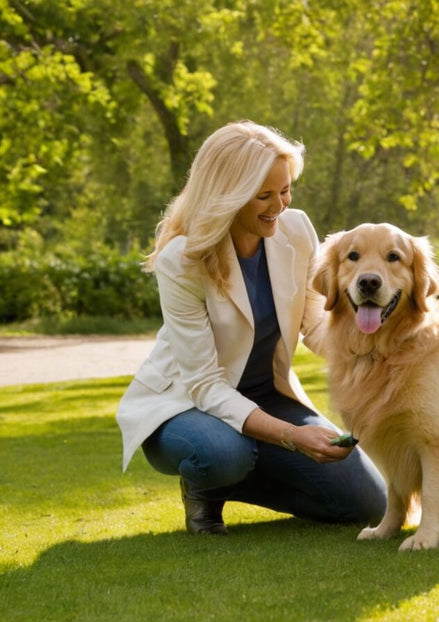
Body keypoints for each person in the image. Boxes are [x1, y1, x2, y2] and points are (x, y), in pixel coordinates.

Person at [116, 120, 386, 535]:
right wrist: (293, 438)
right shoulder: (181, 261)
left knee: (369, 503)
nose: (279, 205)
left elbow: (314, 324)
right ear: (229, 197)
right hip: (186, 405)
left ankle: (248, 461)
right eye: (264, 196)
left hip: (268, 396)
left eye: (285, 190)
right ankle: (206, 485)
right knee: (223, 454)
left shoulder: (296, 231)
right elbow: (204, 384)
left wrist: (376, 354)